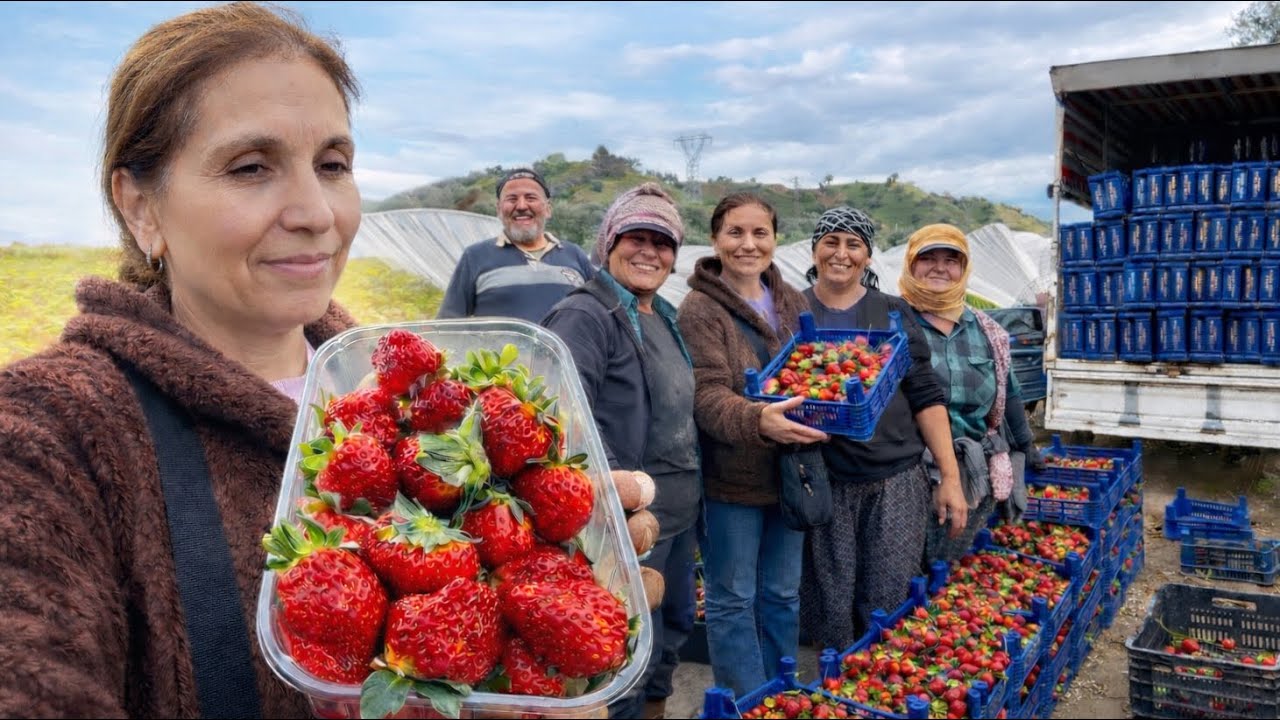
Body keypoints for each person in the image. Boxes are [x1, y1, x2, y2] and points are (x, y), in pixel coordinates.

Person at [0, 3, 363, 716]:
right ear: (141, 208)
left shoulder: (403, 398)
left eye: (332, 164)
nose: (316, 211)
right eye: (252, 167)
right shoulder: (49, 432)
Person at [542, 182, 700, 720]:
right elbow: (563, 410)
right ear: (609, 242)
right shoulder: (587, 314)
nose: (649, 252)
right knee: (619, 653)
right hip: (622, 521)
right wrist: (617, 494)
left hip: (675, 515)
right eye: (636, 237)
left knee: (669, 632)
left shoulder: (662, 314)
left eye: (663, 242)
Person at [675, 193, 829, 698]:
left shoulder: (792, 299)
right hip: (731, 481)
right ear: (716, 239)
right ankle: (744, 700)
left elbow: (813, 372)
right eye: (735, 233)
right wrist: (760, 420)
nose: (748, 244)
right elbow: (706, 395)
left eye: (759, 233)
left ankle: (780, 693)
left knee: (782, 594)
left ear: (774, 239)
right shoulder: (700, 308)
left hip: (791, 474)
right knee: (732, 597)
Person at [797, 206, 968, 654]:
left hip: (895, 479)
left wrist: (950, 478)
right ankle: (836, 689)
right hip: (825, 479)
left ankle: (879, 680)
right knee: (829, 603)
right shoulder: (793, 309)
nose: (841, 253)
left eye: (854, 244)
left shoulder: (892, 312)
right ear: (814, 250)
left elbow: (926, 396)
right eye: (830, 242)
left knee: (887, 600)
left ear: (868, 256)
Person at [897, 224, 1044, 565]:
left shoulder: (987, 330)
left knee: (955, 567)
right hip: (909, 472)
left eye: (951, 260)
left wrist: (1025, 446)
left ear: (963, 270)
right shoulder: (894, 322)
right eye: (927, 258)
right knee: (908, 570)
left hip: (972, 471)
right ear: (910, 264)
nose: (939, 267)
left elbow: (1009, 395)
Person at [437, 167, 595, 323]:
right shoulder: (474, 257)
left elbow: (602, 312)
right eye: (512, 199)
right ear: (499, 209)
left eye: (531, 198)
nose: (521, 206)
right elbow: (448, 325)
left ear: (548, 209)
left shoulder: (575, 255)